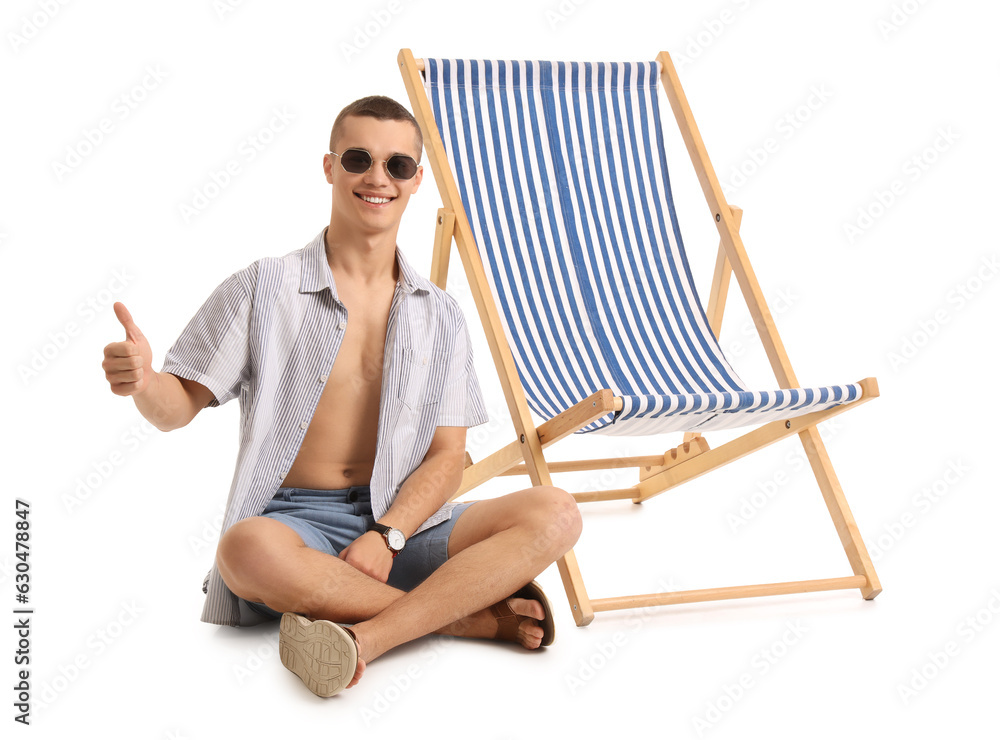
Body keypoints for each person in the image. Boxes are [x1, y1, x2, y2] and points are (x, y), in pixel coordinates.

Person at [102, 95, 582, 697]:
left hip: (405, 523)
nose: (377, 177)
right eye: (359, 159)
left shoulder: (442, 315)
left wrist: (388, 536)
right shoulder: (265, 286)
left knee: (556, 511)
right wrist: (144, 382)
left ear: (415, 181)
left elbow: (447, 457)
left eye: (397, 166)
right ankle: (468, 615)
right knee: (243, 549)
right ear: (330, 167)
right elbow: (176, 409)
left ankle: (367, 639)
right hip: (294, 524)